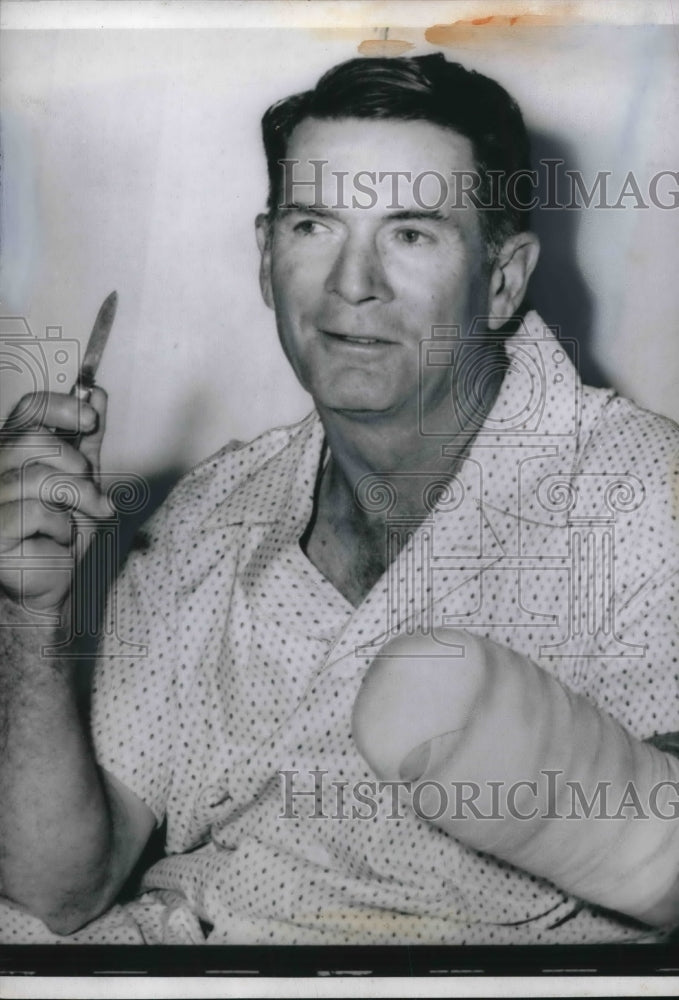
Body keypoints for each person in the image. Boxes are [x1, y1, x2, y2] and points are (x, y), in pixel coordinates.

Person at [0, 54, 678, 946]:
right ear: (264, 253)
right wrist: (31, 614)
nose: (351, 283)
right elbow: (62, 891)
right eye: (314, 224)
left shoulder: (641, 493)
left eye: (411, 232)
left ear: (504, 279)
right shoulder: (211, 510)